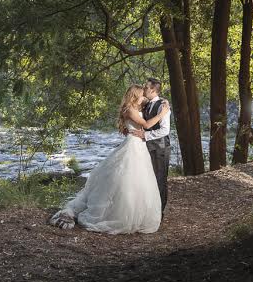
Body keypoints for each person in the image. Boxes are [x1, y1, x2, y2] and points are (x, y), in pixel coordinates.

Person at [49, 84, 170, 234]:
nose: (144, 96)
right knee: (126, 178)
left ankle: (138, 214)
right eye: (141, 94)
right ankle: (118, 214)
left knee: (138, 180)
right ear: (134, 95)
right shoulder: (129, 110)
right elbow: (146, 124)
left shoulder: (136, 107)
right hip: (133, 145)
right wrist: (163, 113)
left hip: (140, 145)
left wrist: (162, 101)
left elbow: (152, 100)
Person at [129, 77, 171, 214]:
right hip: (145, 147)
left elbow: (165, 130)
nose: (144, 88)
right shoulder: (147, 104)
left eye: (146, 87)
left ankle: (159, 213)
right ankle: (148, 211)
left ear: (153, 89)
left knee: (160, 180)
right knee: (148, 180)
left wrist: (145, 136)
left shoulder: (163, 106)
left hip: (160, 148)